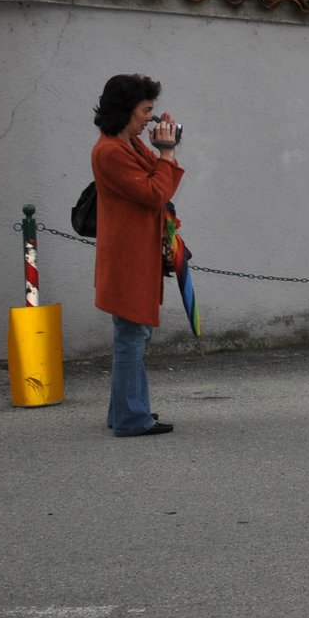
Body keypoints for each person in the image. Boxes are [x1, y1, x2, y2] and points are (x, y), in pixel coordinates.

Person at [91, 74, 185, 438]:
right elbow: (154, 193)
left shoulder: (126, 144)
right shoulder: (110, 151)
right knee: (131, 335)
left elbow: (158, 177)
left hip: (134, 252)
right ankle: (132, 418)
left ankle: (125, 412)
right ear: (126, 110)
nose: (150, 116)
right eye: (146, 110)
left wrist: (162, 146)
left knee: (134, 335)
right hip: (127, 256)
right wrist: (167, 153)